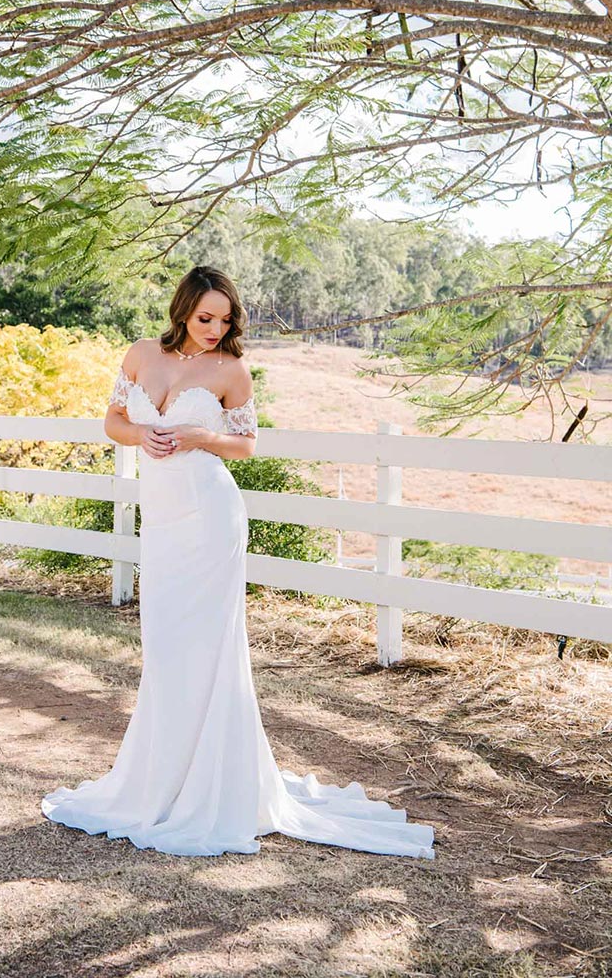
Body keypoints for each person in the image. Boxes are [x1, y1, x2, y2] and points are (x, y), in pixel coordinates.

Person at [41, 264, 435, 859]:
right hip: (164, 521)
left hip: (211, 515)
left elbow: (247, 444)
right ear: (183, 310)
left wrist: (201, 438)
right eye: (205, 318)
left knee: (207, 646)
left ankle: (213, 785)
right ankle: (160, 778)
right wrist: (138, 439)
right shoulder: (142, 354)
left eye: (225, 320)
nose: (214, 329)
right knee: (166, 643)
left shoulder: (231, 371)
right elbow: (113, 422)